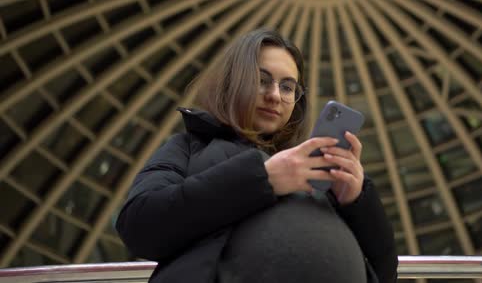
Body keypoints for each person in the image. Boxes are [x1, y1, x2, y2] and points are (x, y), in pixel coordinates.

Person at [116, 29, 398, 283]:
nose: (275, 95)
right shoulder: (187, 146)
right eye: (261, 80)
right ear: (232, 82)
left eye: (287, 87)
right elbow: (139, 226)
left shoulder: (315, 174)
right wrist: (262, 179)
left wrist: (357, 201)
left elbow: (385, 274)